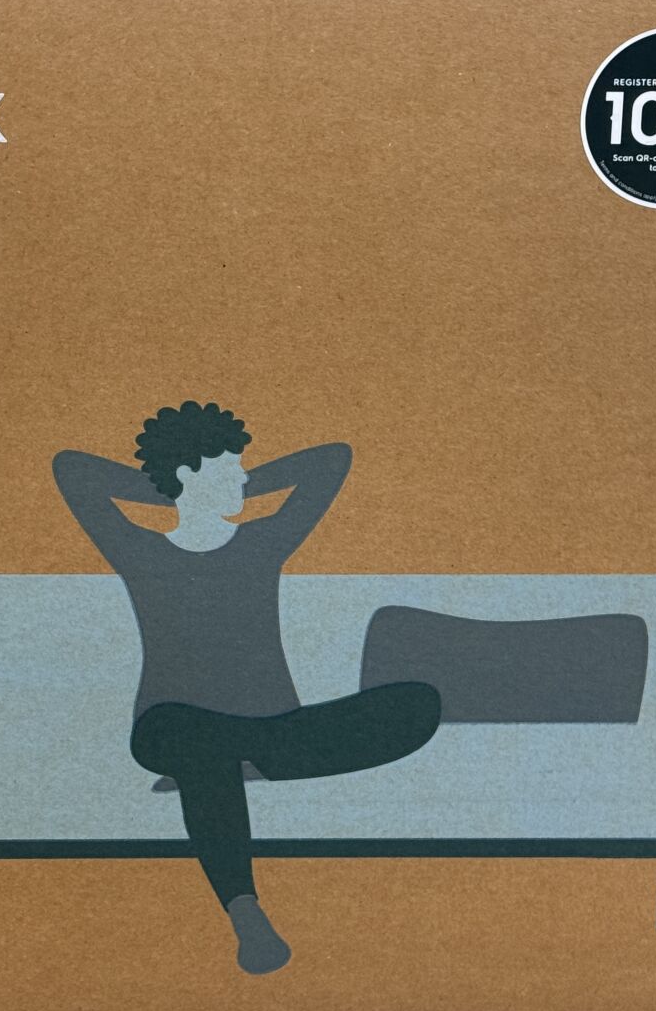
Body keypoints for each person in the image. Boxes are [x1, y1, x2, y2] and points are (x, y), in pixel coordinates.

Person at [52, 401, 441, 975]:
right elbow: (71, 469)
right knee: (196, 741)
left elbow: (331, 461)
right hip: (175, 724)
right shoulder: (141, 553)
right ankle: (246, 914)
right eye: (230, 467)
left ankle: (242, 762)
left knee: (418, 703)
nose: (244, 479)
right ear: (189, 472)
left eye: (244, 469)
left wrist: (212, 478)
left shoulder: (261, 542)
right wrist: (172, 483)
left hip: (268, 729)